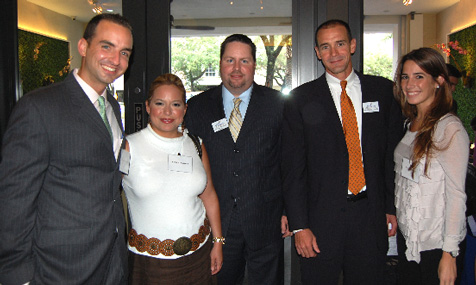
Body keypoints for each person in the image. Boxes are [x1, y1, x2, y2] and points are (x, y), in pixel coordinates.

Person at [0, 14, 133, 284]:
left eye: (124, 52)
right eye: (106, 46)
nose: (116, 60)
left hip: (112, 260)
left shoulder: (113, 108)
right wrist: (17, 274)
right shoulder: (39, 108)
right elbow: (14, 200)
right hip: (59, 267)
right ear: (83, 47)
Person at [282, 19, 403, 284]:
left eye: (339, 44)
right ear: (317, 52)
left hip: (369, 216)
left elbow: (389, 156)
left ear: (352, 45)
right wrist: (299, 225)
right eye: (325, 47)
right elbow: (293, 169)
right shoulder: (300, 100)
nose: (333, 53)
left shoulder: (382, 91)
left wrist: (390, 206)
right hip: (320, 220)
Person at [184, 34, 291, 284]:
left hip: (266, 220)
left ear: (254, 65)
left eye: (244, 61)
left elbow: (288, 161)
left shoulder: (277, 105)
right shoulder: (197, 107)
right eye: (230, 60)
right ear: (220, 63)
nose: (236, 68)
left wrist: (288, 211)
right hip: (216, 223)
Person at [122, 73, 223, 284]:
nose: (168, 112)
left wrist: (218, 242)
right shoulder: (129, 147)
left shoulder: (196, 144)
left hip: (199, 256)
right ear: (148, 106)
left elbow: (209, 195)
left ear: (184, 109)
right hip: (151, 263)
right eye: (160, 103)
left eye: (175, 104)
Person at [393, 47, 468, 284]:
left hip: (437, 245)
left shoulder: (449, 128)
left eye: (419, 76)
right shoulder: (412, 122)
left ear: (438, 81)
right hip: (410, 241)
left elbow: (456, 195)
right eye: (405, 77)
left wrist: (449, 254)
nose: (409, 84)